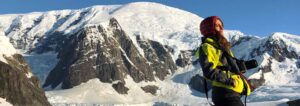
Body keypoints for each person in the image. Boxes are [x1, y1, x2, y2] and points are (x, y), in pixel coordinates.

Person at [195, 16, 251, 106]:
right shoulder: (207, 47)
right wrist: (230, 81)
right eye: (217, 25)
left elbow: (226, 67)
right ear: (210, 28)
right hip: (225, 93)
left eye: (222, 26)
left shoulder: (221, 47)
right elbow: (209, 71)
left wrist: (238, 68)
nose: (221, 28)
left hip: (231, 93)